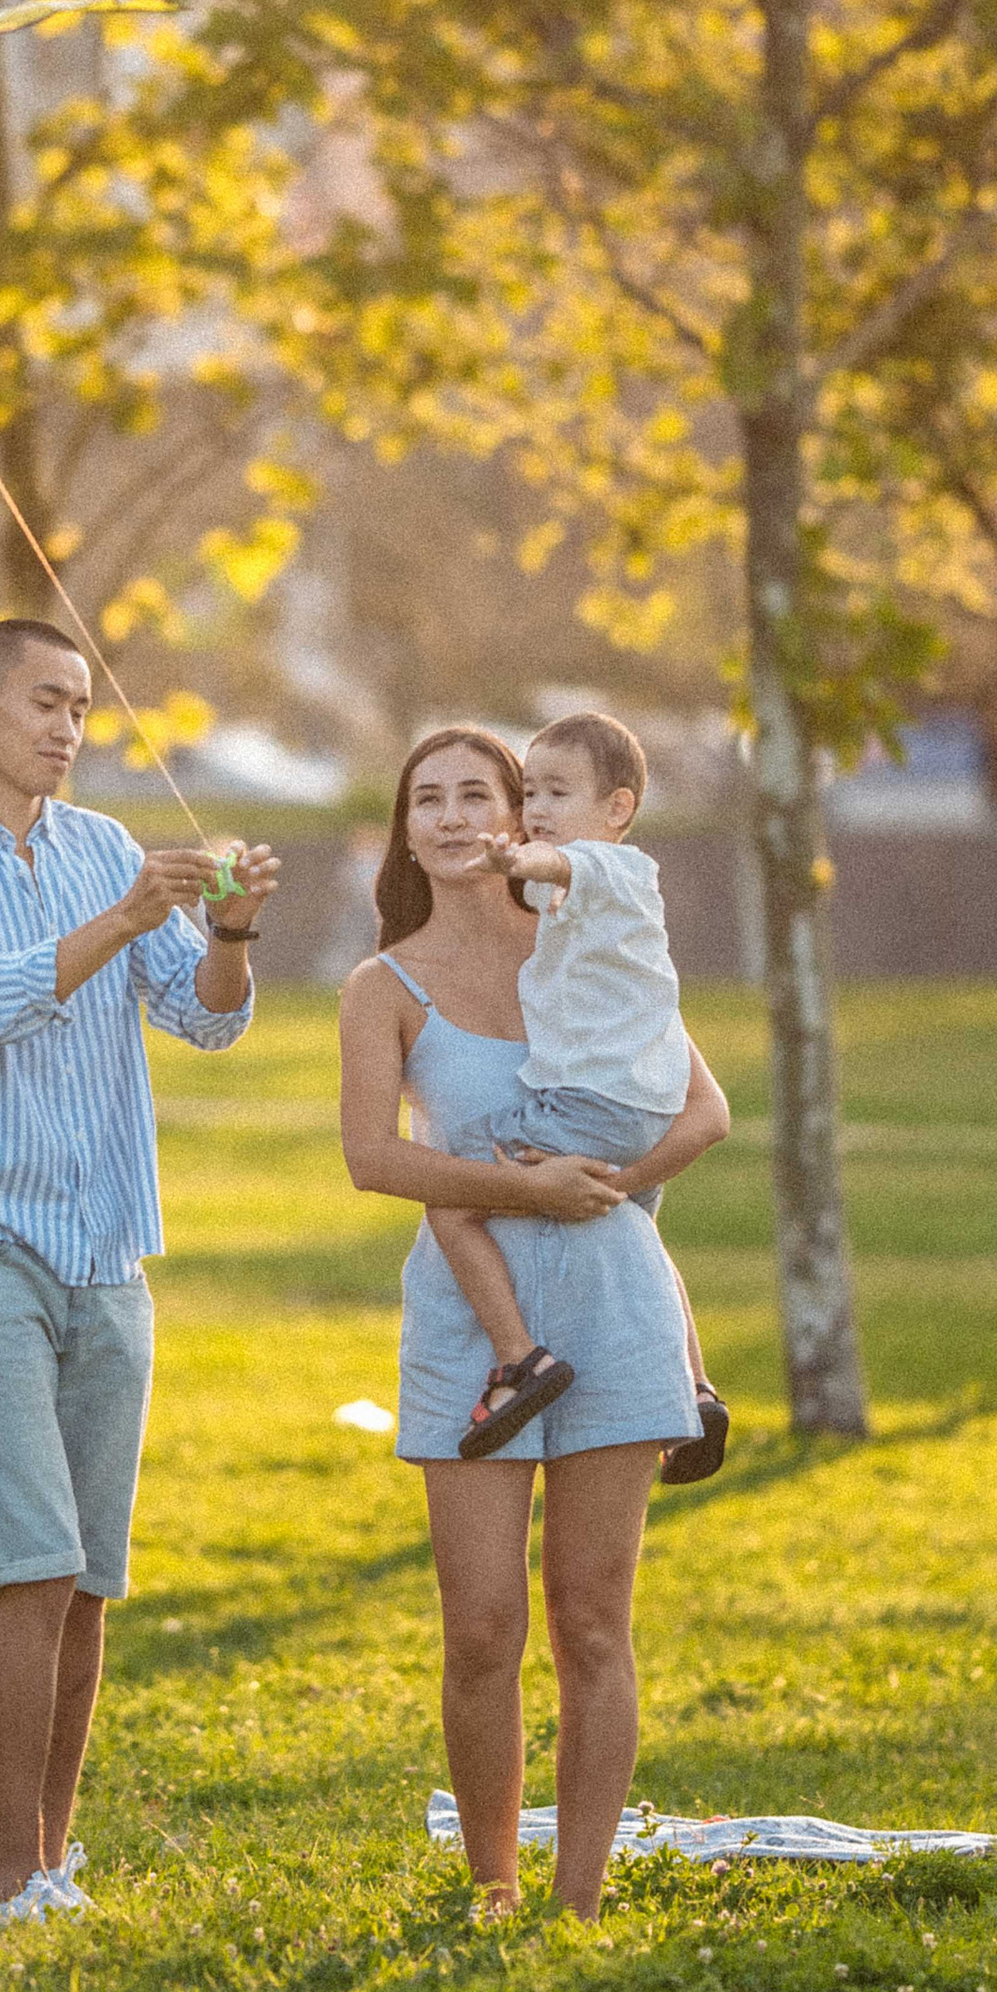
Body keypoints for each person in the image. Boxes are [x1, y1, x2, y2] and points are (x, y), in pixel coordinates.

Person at [0, 617, 281, 1930]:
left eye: (82, 709)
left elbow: (203, 1020)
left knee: (89, 1582)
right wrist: (132, 911)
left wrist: (231, 935)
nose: (68, 729)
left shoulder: (101, 848)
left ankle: (54, 1863)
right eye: (44, 701)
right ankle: (5, 1880)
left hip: (107, 1259)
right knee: (31, 1570)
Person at [337, 725, 730, 1922]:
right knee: (482, 1630)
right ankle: (493, 1884)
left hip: (610, 1309)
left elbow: (704, 1110)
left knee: (592, 1621)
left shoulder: (589, 948)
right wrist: (529, 1190)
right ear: (405, 830)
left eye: (480, 795)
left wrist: (600, 1189)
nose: (456, 818)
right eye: (430, 800)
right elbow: (371, 1158)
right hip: (472, 1330)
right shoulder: (383, 985)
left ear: (521, 816)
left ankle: (578, 1899)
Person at [420, 708, 724, 1469]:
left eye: (556, 793)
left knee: (454, 1191)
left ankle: (521, 1361)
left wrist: (509, 860)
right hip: (642, 1108)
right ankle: (694, 1390)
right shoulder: (594, 904)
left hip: (594, 1106)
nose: (535, 812)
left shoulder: (615, 867)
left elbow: (555, 868)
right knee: (644, 1241)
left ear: (618, 808)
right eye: (529, 794)